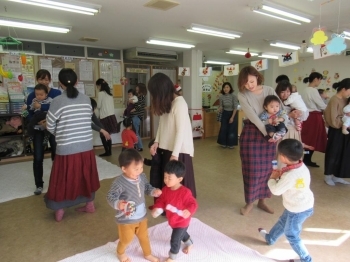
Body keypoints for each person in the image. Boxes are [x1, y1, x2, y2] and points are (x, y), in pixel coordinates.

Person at [45, 68, 100, 222]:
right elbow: (87, 121)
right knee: (85, 176)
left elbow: (49, 125)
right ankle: (89, 204)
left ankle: (60, 210)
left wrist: (61, 133)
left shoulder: (57, 101)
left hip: (66, 148)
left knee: (63, 178)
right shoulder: (86, 100)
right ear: (77, 82)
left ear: (59, 83)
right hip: (86, 146)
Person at [237, 66, 288, 216]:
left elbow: (281, 109)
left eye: (251, 81)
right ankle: (249, 203)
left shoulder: (269, 90)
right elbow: (253, 117)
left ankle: (263, 201)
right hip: (253, 133)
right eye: (246, 83)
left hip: (271, 132)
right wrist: (268, 135)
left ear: (257, 76)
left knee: (267, 170)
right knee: (251, 170)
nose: (249, 85)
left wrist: (281, 123)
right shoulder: (243, 95)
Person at [258, 139, 314, 262]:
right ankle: (270, 238)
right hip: (300, 204)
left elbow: (276, 191)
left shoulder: (290, 175)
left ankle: (306, 259)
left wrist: (272, 179)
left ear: (283, 157)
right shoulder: (300, 166)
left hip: (298, 209)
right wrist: (281, 177)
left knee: (291, 234)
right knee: (282, 222)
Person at [106, 149, 161, 262]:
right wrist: (118, 204)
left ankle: (147, 254)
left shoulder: (142, 177)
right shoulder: (119, 182)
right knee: (126, 239)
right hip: (126, 219)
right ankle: (120, 253)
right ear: (124, 169)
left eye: (141, 168)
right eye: (136, 169)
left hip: (141, 216)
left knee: (144, 237)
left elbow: (147, 187)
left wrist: (153, 191)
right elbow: (110, 196)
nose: (139, 171)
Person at [148, 73, 196, 198]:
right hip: (168, 148)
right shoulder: (167, 102)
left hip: (179, 151)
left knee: (177, 182)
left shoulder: (180, 103)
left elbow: (181, 131)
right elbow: (162, 125)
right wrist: (156, 142)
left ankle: (182, 206)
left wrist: (175, 154)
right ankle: (167, 204)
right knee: (168, 180)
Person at [151, 160, 198, 262]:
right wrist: (158, 208)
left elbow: (193, 204)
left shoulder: (185, 192)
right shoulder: (165, 190)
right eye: (165, 177)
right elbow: (161, 201)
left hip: (182, 221)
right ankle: (190, 243)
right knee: (182, 234)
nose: (166, 180)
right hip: (173, 220)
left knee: (175, 239)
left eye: (169, 178)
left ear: (179, 179)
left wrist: (189, 211)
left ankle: (172, 257)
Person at [26, 69, 61, 195]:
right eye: (41, 79)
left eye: (46, 79)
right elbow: (28, 113)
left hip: (54, 128)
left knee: (57, 155)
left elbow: (59, 109)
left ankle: (59, 181)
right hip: (38, 129)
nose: (44, 82)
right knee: (38, 156)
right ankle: (39, 185)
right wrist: (36, 122)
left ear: (50, 80)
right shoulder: (32, 95)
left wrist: (43, 109)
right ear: (37, 80)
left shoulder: (57, 93)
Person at [323, 78, 350, 186]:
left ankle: (338, 176)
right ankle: (328, 175)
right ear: (344, 89)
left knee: (343, 154)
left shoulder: (346, 100)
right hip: (336, 131)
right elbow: (332, 119)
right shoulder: (334, 100)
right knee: (333, 152)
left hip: (345, 130)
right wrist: (343, 122)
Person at [300, 72, 327, 167]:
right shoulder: (313, 90)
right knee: (313, 139)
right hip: (314, 117)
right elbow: (321, 104)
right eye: (320, 80)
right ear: (316, 79)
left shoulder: (304, 90)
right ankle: (307, 160)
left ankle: (306, 159)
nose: (319, 82)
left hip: (306, 116)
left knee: (307, 138)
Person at [96, 78, 119, 157]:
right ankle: (109, 151)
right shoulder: (110, 94)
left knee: (102, 135)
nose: (97, 88)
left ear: (99, 85)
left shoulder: (101, 93)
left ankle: (107, 151)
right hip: (111, 116)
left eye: (97, 86)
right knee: (108, 134)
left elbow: (98, 106)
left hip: (104, 116)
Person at [217, 82, 239, 149]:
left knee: (231, 129)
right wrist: (220, 109)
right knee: (223, 128)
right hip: (225, 113)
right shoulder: (221, 97)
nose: (225, 89)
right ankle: (223, 143)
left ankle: (231, 144)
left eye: (227, 87)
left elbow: (235, 107)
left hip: (233, 113)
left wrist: (232, 117)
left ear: (230, 88)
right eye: (224, 87)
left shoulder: (234, 96)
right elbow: (221, 106)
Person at [130, 83, 147, 151]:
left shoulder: (142, 97)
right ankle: (136, 146)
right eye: (136, 90)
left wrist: (132, 109)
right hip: (135, 116)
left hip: (136, 117)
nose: (136, 91)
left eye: (137, 90)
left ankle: (140, 146)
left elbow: (139, 106)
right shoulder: (138, 97)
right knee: (134, 132)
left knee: (135, 132)